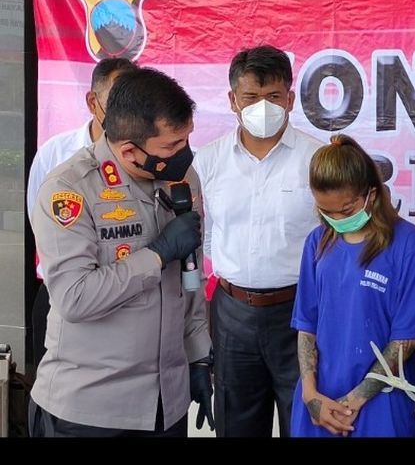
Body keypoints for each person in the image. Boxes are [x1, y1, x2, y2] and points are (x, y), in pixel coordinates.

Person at [28, 67, 212, 437]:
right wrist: (157, 255)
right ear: (129, 150)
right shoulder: (69, 191)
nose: (185, 154)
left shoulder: (183, 179)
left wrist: (198, 355)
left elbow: (190, 276)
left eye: (187, 140)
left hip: (166, 402)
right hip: (91, 411)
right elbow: (75, 297)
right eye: (172, 147)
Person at [193, 45, 324, 437]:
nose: (262, 106)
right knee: (236, 425)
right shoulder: (208, 161)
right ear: (233, 100)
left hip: (301, 315)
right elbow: (202, 240)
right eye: (251, 97)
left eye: (273, 97)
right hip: (232, 313)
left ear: (291, 98)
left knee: (302, 423)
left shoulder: (317, 160)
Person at [290, 134, 415, 437]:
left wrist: (353, 402)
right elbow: (307, 326)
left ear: (372, 195)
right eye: (327, 211)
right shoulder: (318, 242)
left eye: (347, 210)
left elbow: (405, 340)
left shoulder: (408, 244)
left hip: (380, 403)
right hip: (319, 401)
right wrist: (311, 395)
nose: (337, 219)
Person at [27, 57, 137, 367]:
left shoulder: (146, 158)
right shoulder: (57, 153)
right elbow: (40, 223)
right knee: (57, 399)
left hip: (127, 301)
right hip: (62, 298)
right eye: (117, 99)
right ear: (93, 101)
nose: (127, 110)